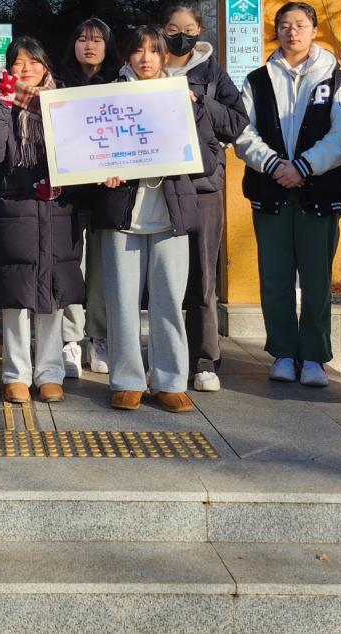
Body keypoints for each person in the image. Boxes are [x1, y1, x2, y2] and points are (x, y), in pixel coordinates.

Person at [233, 1, 341, 388]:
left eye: (300, 25)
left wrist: (304, 166)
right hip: (270, 190)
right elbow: (242, 132)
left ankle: (315, 356)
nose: (293, 32)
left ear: (314, 30)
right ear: (277, 31)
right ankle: (285, 353)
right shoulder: (256, 79)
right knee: (275, 275)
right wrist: (274, 165)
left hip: (319, 190)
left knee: (318, 278)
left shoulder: (335, 79)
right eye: (285, 25)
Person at [92, 25, 203, 413]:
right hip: (123, 213)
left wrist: (195, 109)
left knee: (170, 299)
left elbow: (207, 150)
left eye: (153, 51)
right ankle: (126, 380)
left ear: (164, 56)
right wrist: (102, 170)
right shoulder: (109, 96)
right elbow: (90, 148)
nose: (145, 58)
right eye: (138, 51)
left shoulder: (182, 94)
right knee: (121, 301)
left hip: (170, 213)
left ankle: (169, 379)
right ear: (127, 56)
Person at [0, 36, 84, 404]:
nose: (26, 69)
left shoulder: (62, 101)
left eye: (33, 62)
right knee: (16, 297)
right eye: (18, 63)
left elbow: (78, 150)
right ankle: (15, 373)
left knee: (51, 296)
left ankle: (50, 373)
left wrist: (60, 182)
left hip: (56, 210)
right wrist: (2, 105)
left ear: (45, 66)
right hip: (15, 209)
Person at [160, 0, 249, 393]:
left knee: (202, 276)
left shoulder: (213, 73)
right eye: (173, 31)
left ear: (201, 32)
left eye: (189, 31)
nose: (181, 37)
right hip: (156, 187)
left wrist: (200, 103)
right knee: (161, 278)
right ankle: (164, 356)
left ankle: (204, 359)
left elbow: (238, 122)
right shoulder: (145, 67)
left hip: (202, 188)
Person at [57, 16, 121, 377]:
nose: (89, 45)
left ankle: (99, 337)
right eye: (82, 39)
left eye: (97, 39)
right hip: (67, 194)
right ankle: (69, 340)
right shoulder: (59, 83)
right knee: (70, 268)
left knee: (100, 270)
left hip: (107, 194)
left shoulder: (120, 83)